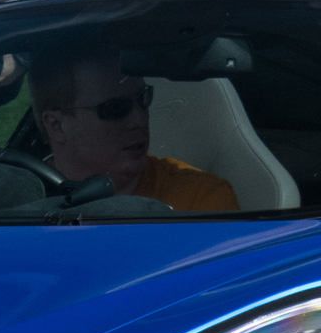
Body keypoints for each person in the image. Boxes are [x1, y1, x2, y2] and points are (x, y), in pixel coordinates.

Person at [30, 49, 238, 211]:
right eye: (114, 109)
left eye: (143, 99)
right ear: (56, 126)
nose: (139, 119)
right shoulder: (20, 196)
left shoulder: (199, 200)